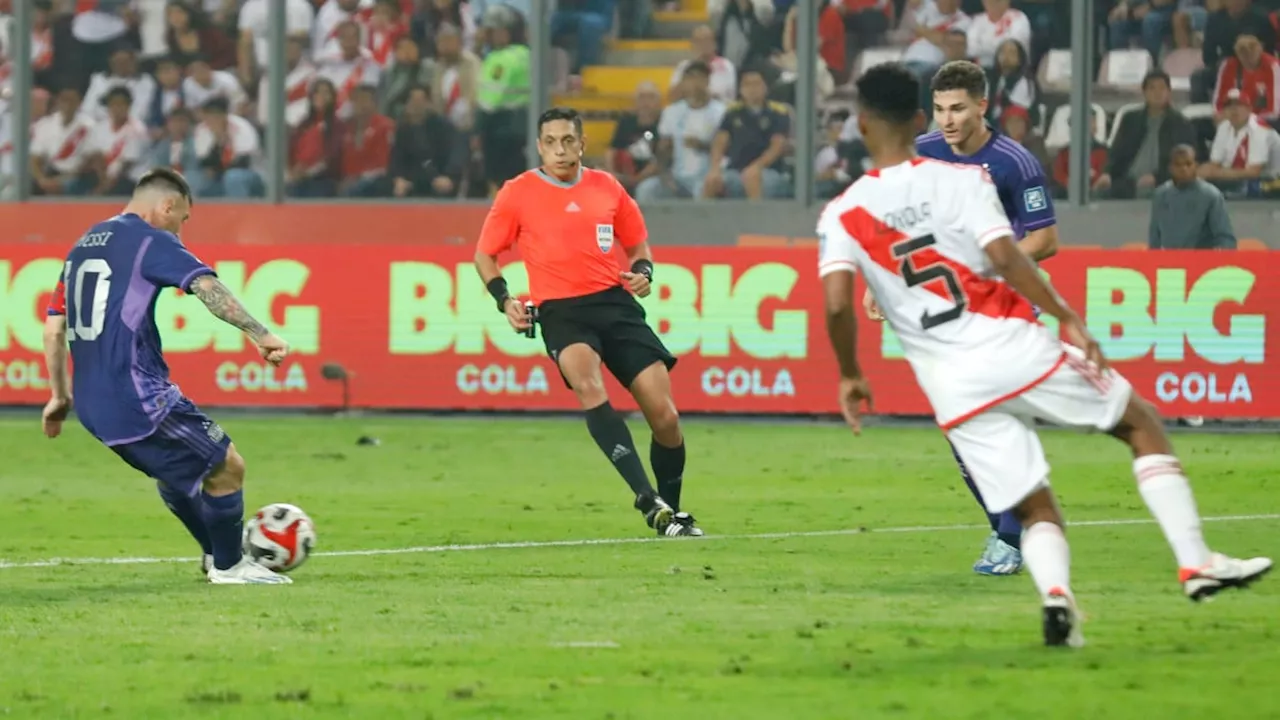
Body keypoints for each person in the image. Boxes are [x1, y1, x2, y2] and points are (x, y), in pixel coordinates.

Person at [817, 62, 1272, 647]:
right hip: (1010, 343)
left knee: (1032, 506)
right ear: (919, 118)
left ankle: (1057, 600)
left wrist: (852, 374)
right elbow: (1008, 259)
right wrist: (1067, 318)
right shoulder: (962, 182)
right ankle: (1195, 560)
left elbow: (835, 305)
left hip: (950, 384)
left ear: (859, 124)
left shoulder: (842, 212)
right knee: (1141, 424)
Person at [40, 168, 294, 585]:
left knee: (176, 475)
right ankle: (230, 567)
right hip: (138, 395)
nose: (181, 229)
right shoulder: (149, 240)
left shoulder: (83, 246)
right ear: (167, 206)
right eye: (184, 219)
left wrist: (59, 396)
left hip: (92, 406)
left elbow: (54, 327)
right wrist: (260, 333)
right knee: (228, 465)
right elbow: (208, 288)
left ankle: (216, 555)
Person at [866, 60, 1060, 576]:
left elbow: (1045, 238)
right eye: (939, 110)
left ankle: (1012, 538)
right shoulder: (923, 152)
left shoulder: (1015, 163)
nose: (947, 120)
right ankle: (1011, 531)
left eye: (957, 109)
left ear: (982, 105)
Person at [473, 107, 703, 538]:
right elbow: (485, 255)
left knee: (666, 417)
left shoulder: (607, 187)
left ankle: (670, 512)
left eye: (568, 141)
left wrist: (645, 274)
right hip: (561, 310)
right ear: (539, 146)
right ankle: (643, 495)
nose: (559, 150)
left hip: (614, 306)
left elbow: (639, 248)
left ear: (581, 144)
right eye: (550, 142)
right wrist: (504, 300)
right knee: (588, 383)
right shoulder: (517, 192)